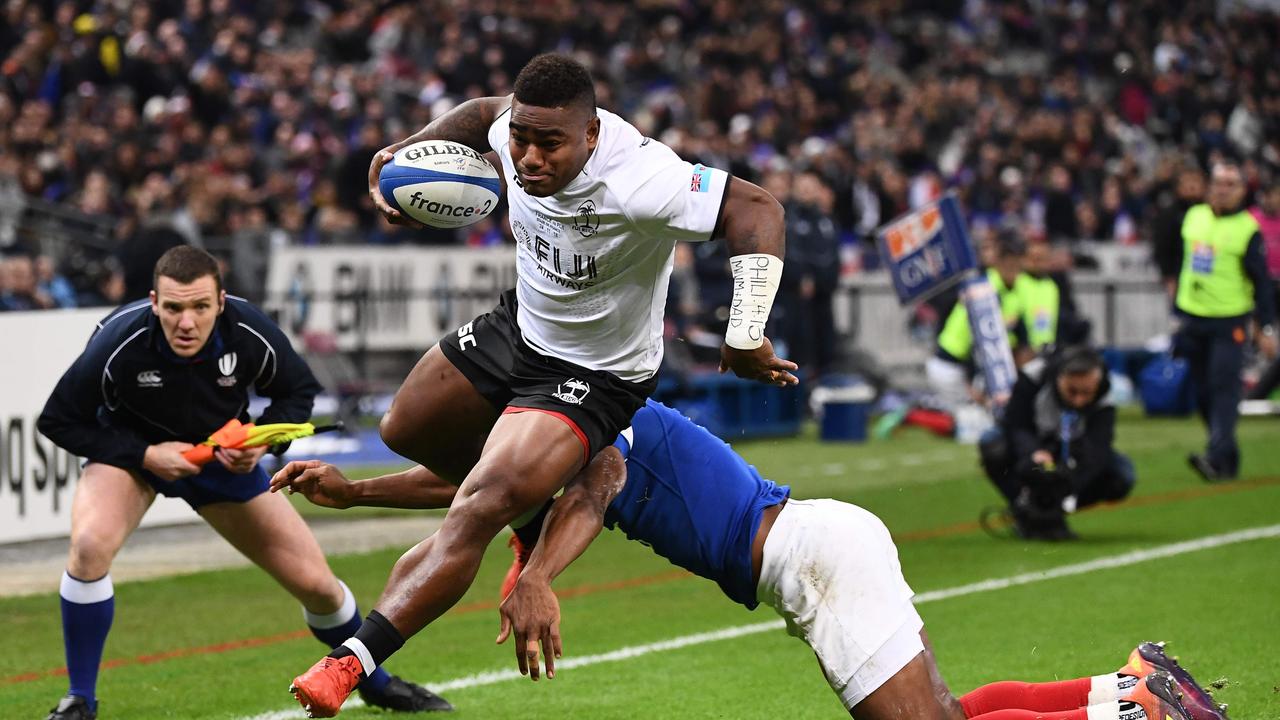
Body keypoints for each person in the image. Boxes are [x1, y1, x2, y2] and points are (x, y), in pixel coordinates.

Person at [286, 53, 797, 714]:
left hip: (597, 372)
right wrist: (406, 153)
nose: (528, 158)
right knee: (404, 427)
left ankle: (348, 663)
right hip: (522, 326)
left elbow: (758, 206)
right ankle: (542, 504)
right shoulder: (514, 127)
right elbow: (479, 115)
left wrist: (745, 325)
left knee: (478, 505)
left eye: (550, 144)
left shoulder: (643, 179)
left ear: (590, 135)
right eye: (523, 139)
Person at [270, 400, 1220, 720]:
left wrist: (541, 578)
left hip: (813, 559)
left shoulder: (600, 417)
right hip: (821, 549)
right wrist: (354, 491)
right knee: (940, 714)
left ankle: (1136, 709)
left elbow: (596, 485)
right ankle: (1128, 689)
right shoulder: (559, 430)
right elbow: (476, 491)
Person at [35, 246, 448, 720]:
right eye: (172, 308)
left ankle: (376, 684)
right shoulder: (117, 341)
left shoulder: (249, 330)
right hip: (131, 454)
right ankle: (79, 702)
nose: (185, 321)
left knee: (319, 587)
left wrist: (259, 443)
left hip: (222, 460)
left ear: (221, 301)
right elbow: (59, 420)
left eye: (199, 307)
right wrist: (145, 455)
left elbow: (297, 394)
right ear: (154, 302)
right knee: (88, 548)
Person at [1173, 161, 1277, 481]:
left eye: (1230, 184)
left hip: (1229, 320)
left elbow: (1261, 282)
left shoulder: (1247, 229)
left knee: (1223, 388)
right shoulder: (1194, 217)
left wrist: (1266, 326)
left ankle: (1216, 458)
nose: (1221, 189)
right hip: (1192, 317)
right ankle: (1227, 457)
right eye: (1218, 182)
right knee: (1202, 392)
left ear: (1242, 191)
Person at [977, 347, 1134, 540]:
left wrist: (1071, 481)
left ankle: (1054, 510)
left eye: (1086, 393)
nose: (1079, 400)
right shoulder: (1033, 376)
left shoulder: (1105, 396)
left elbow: (1099, 447)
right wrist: (1033, 453)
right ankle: (1023, 506)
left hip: (1074, 453)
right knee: (993, 444)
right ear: (1059, 378)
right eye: (1072, 391)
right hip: (1031, 448)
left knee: (1123, 475)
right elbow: (1016, 424)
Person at [928, 230, 1028, 405]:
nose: (1015, 271)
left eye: (1018, 266)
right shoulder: (983, 290)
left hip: (971, 369)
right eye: (1010, 265)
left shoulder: (1014, 291)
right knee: (972, 425)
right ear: (999, 262)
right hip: (951, 367)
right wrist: (970, 384)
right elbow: (979, 342)